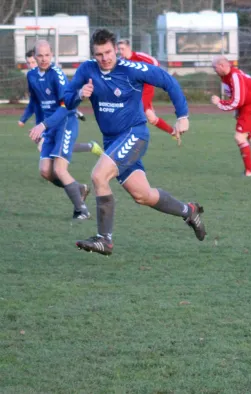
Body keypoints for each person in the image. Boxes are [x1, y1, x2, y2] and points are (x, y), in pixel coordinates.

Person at [63, 28, 206, 256]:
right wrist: (80, 94)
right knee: (143, 195)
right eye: (99, 54)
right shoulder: (86, 70)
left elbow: (168, 81)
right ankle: (188, 211)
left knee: (99, 176)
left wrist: (182, 116)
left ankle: (104, 239)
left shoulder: (131, 69)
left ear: (116, 49)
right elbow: (67, 98)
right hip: (112, 142)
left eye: (108, 52)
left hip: (135, 134)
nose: (105, 58)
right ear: (93, 53)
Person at [26, 40, 92, 220]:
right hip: (48, 126)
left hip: (65, 122)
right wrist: (38, 126)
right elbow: (37, 103)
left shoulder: (57, 75)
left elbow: (66, 107)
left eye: (47, 55)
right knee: (45, 171)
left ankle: (81, 210)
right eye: (40, 55)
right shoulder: (31, 76)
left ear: (52, 55)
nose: (44, 59)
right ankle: (78, 189)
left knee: (60, 169)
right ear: (34, 57)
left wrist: (43, 125)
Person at [19, 49, 102, 156]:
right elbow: (34, 102)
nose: (31, 65)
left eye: (33, 62)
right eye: (29, 63)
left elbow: (64, 100)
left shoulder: (54, 74)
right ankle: (90, 147)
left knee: (49, 149)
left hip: (59, 117)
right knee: (56, 147)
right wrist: (26, 119)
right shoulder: (32, 76)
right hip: (46, 118)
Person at [116, 39, 180, 145]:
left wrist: (152, 76)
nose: (121, 51)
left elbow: (155, 62)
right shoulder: (121, 61)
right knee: (151, 118)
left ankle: (127, 139)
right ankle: (173, 132)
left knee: (134, 110)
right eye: (119, 49)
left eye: (122, 49)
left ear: (129, 47)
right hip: (134, 91)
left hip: (146, 89)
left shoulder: (139, 56)